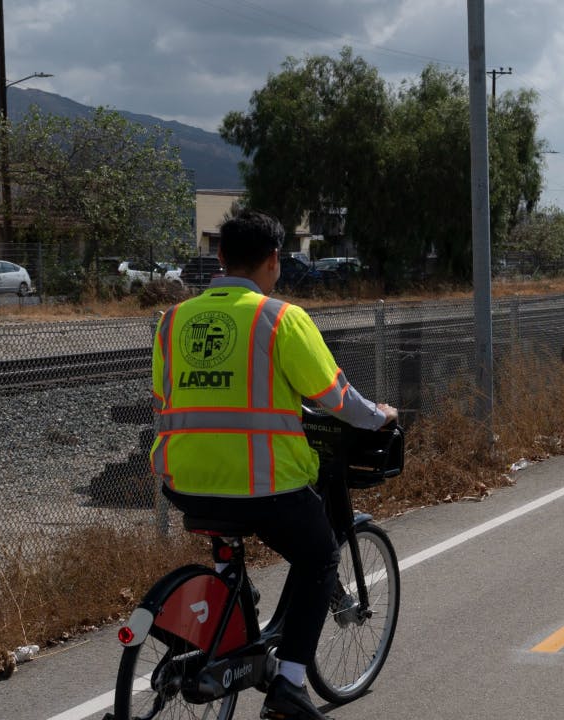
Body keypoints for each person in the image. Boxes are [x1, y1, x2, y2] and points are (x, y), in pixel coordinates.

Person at [150, 209, 396, 720]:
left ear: (219, 257)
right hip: (263, 488)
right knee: (320, 557)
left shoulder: (172, 319)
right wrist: (379, 417)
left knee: (231, 540)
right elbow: (335, 397)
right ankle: (289, 684)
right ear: (274, 261)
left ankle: (228, 597)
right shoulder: (281, 318)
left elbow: (163, 397)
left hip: (183, 481)